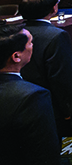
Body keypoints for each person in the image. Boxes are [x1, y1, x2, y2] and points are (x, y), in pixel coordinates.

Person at [0, 22, 61, 165]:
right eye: (30, 43)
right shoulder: (33, 97)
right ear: (16, 56)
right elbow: (45, 155)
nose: (33, 46)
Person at [18, 0, 72, 133]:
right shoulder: (57, 36)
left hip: (16, 101)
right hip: (47, 106)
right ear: (54, 8)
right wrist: (67, 110)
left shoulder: (13, 33)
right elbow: (60, 77)